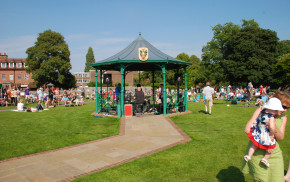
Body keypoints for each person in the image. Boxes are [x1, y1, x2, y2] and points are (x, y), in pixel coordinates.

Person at [242, 91, 290, 182]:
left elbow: (280, 138)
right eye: (284, 107)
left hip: (273, 152)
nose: (285, 110)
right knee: (259, 179)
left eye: (288, 108)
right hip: (257, 152)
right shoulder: (260, 111)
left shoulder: (283, 118)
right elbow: (247, 129)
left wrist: (274, 127)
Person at [244, 98, 285, 167]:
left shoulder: (262, 112)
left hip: (258, 131)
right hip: (266, 134)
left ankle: (249, 155)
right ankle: (265, 159)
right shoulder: (271, 117)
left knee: (254, 145)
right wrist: (272, 134)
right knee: (271, 147)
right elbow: (272, 127)